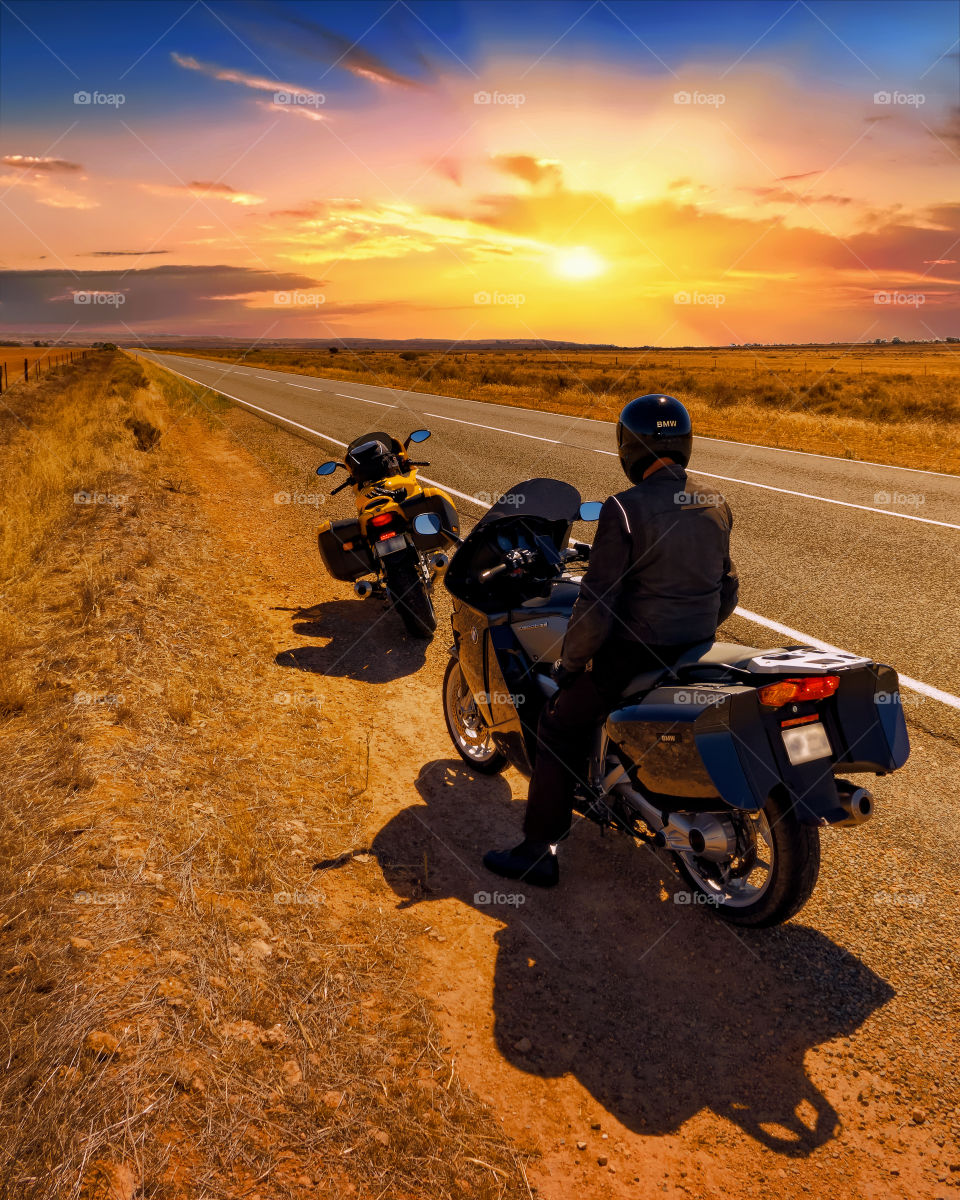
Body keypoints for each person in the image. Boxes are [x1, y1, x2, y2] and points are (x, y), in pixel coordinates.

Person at [483, 394, 738, 888]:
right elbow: (727, 587)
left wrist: (572, 666)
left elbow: (596, 605)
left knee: (557, 724)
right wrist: (698, 628)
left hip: (634, 657)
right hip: (696, 651)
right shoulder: (714, 501)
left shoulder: (624, 509)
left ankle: (538, 851)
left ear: (630, 446)